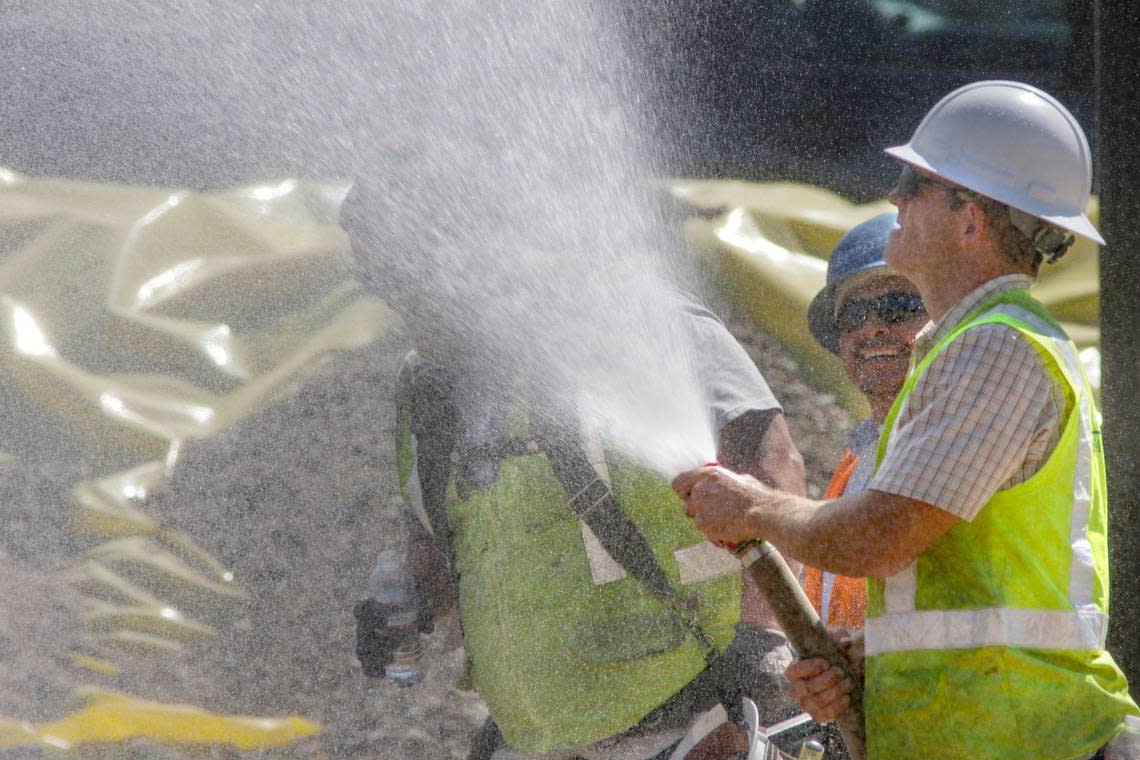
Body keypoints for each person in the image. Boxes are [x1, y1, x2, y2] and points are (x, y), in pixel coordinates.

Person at [673, 80, 1139, 759]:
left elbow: (878, 540)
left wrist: (751, 508)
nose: (893, 197)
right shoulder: (974, 349)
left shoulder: (995, 348)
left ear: (971, 219)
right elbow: (972, 603)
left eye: (914, 182)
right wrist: (875, 657)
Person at [342, 180, 813, 760]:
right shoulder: (427, 390)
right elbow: (443, 540)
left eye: (405, 271)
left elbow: (772, 462)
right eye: (376, 279)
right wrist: (408, 603)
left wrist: (765, 634)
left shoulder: (623, 314)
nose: (394, 298)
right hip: (537, 735)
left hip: (692, 715)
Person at [802, 212, 927, 632]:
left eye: (898, 306)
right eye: (854, 316)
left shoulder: (952, 441)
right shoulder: (857, 456)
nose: (872, 329)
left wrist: (756, 511)